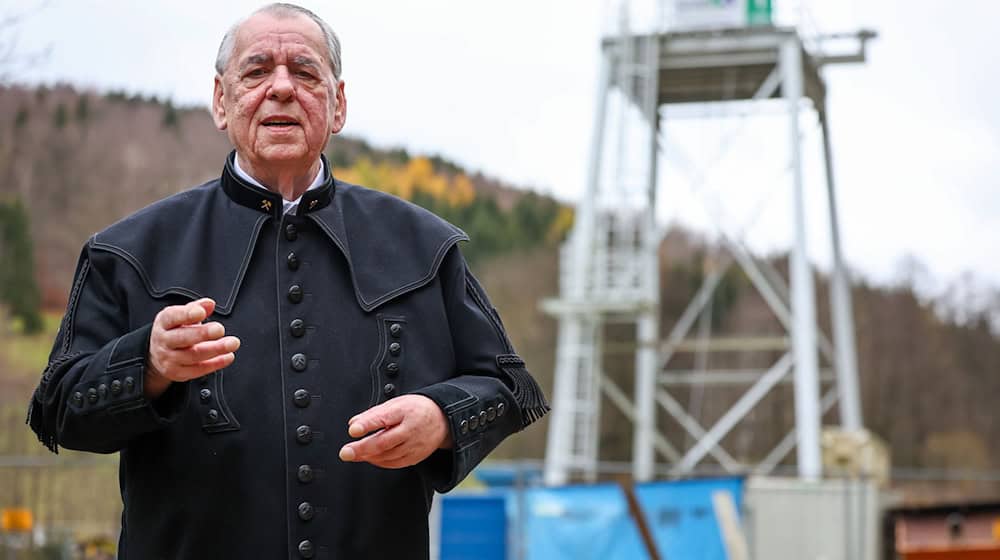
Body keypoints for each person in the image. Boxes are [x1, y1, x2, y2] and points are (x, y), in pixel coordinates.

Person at [26, 4, 548, 558]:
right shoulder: (129, 251)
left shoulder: (425, 244)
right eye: (255, 72)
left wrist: (443, 419)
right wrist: (148, 365)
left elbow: (513, 388)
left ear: (338, 104)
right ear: (221, 101)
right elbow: (58, 407)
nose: (280, 88)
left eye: (304, 72)